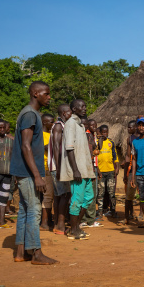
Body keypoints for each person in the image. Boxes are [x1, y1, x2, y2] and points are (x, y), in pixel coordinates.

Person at [11, 81, 58, 265]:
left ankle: (21, 252)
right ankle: (36, 253)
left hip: (24, 171)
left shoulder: (31, 114)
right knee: (34, 210)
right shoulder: (30, 114)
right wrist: (38, 175)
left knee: (24, 210)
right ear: (35, 93)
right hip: (29, 172)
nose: (49, 96)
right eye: (46, 93)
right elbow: (25, 145)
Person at [60, 99, 96, 240]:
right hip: (78, 170)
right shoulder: (70, 124)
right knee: (77, 200)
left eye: (85, 105)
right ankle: (73, 230)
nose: (84, 108)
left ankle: (76, 227)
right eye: (81, 106)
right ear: (73, 109)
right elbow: (69, 149)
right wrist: (75, 170)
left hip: (85, 169)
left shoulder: (80, 126)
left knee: (88, 198)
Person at [48, 104, 72, 235]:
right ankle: (61, 226)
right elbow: (57, 146)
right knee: (65, 194)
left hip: (58, 166)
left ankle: (57, 224)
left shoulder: (62, 126)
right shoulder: (58, 126)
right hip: (58, 167)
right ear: (63, 113)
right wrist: (59, 168)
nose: (71, 114)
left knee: (58, 196)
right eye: (69, 112)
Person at [81, 119, 103, 228]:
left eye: (95, 124)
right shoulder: (87, 136)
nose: (94, 126)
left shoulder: (93, 136)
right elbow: (90, 154)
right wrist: (91, 171)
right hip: (89, 168)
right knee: (91, 194)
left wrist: (97, 170)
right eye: (91, 125)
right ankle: (89, 219)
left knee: (90, 193)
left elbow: (96, 152)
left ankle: (87, 219)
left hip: (93, 167)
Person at [96, 124, 119, 218]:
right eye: (103, 132)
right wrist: (97, 170)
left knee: (111, 192)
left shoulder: (111, 142)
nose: (105, 134)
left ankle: (113, 210)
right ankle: (100, 211)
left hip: (110, 171)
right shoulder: (96, 143)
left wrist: (116, 168)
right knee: (100, 193)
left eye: (106, 132)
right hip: (100, 172)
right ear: (100, 133)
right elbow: (95, 157)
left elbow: (115, 156)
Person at [40, 113, 55, 231]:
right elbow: (44, 147)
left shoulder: (51, 134)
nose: (53, 124)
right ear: (44, 122)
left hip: (51, 167)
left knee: (50, 195)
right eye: (51, 121)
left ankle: (48, 220)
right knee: (48, 195)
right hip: (45, 168)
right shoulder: (40, 135)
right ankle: (44, 223)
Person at [122, 120, 138, 225]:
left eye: (130, 127)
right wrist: (125, 174)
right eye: (128, 127)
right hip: (132, 170)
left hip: (142, 169)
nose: (128, 129)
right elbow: (128, 156)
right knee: (129, 195)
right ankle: (128, 216)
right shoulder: (130, 139)